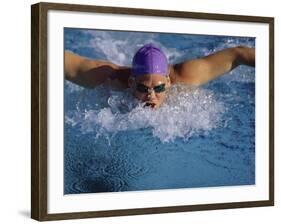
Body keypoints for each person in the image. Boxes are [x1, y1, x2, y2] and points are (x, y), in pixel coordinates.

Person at [65, 43, 255, 109]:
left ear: (168, 82)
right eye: (142, 88)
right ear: (131, 82)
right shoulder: (109, 78)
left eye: (159, 88)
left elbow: (238, 54)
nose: (151, 96)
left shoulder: (188, 76)